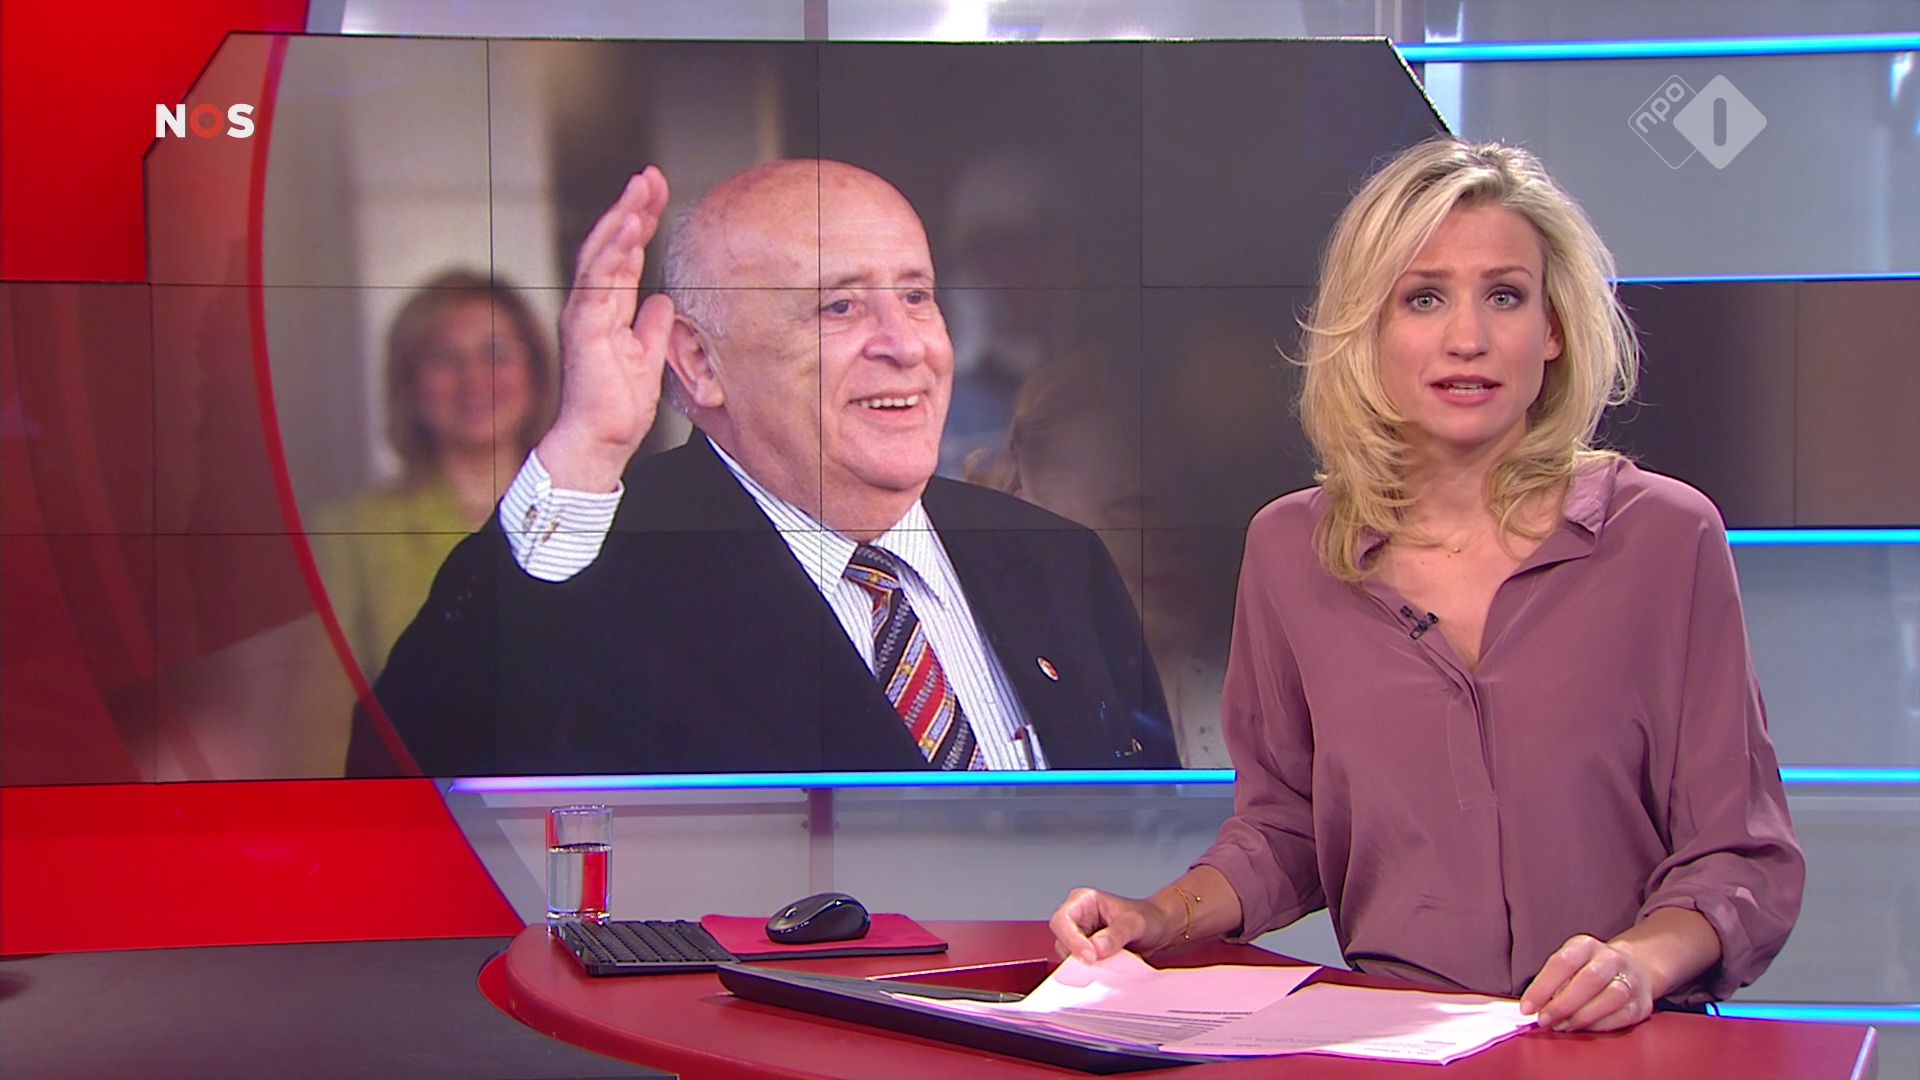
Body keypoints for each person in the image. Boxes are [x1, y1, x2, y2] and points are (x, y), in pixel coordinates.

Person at [1049, 138, 1804, 1033]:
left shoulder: (1666, 538)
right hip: (1400, 1041)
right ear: (1370, 329)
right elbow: (1288, 829)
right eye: (1424, 298)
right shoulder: (1292, 551)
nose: (1467, 338)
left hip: (1625, 1042)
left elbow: (1739, 858)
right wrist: (1156, 917)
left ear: (1554, 328)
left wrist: (1637, 963)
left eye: (1505, 295)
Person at [360, 160, 1176, 775]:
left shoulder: (1056, 558)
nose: (906, 345)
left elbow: (1149, 849)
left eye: (916, 296)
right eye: (839, 305)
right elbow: (408, 773)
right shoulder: (607, 577)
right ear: (699, 362)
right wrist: (585, 447)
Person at [311, 270, 554, 678]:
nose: (474, 379)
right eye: (444, 358)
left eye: (496, 352)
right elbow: (323, 706)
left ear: (537, 371)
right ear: (410, 385)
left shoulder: (599, 516)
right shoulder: (348, 535)